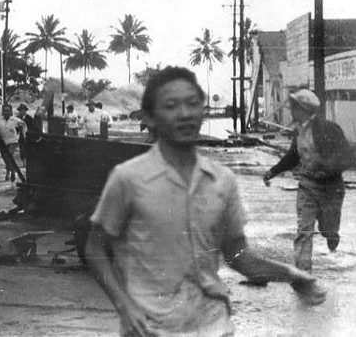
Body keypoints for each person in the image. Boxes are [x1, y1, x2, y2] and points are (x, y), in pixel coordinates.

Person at [85, 66, 325, 336]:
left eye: (193, 103)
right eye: (171, 106)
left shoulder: (222, 181)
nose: (185, 114)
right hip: (151, 328)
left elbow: (240, 257)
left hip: (214, 325)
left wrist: (293, 276)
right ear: (150, 118)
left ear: (203, 111)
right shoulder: (127, 179)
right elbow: (95, 247)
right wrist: (124, 306)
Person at [262, 89, 352, 272]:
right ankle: (303, 273)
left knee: (328, 228)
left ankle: (330, 233)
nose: (291, 111)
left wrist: (330, 169)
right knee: (304, 231)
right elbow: (293, 156)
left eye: (293, 107)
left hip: (331, 188)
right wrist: (273, 171)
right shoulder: (299, 132)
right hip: (308, 186)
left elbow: (348, 155)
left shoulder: (328, 129)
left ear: (302, 109)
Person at [0, 104, 27, 182]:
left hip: (13, 141)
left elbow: (24, 125)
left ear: (10, 112)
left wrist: (23, 134)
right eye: (4, 111)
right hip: (2, 142)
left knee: (9, 156)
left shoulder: (15, 120)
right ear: (2, 111)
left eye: (7, 111)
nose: (6, 112)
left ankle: (9, 173)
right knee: (6, 159)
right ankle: (12, 171)